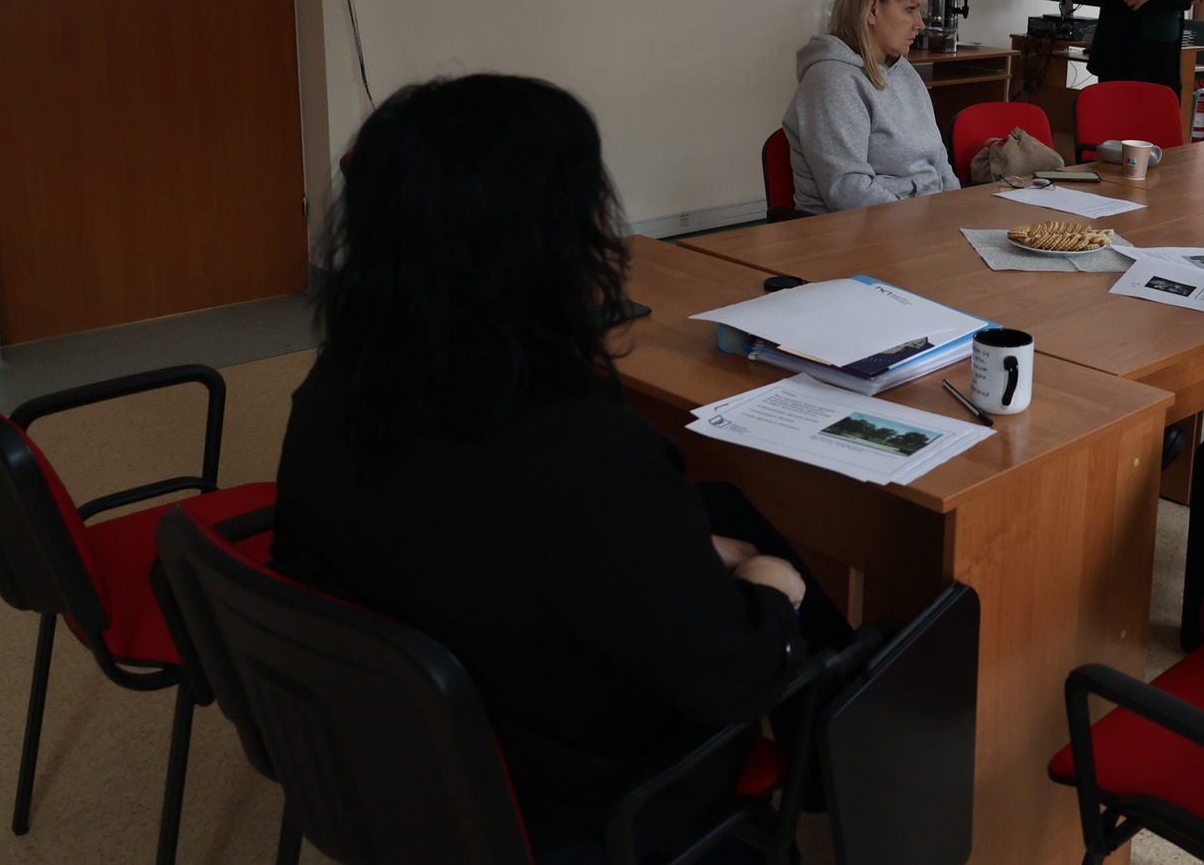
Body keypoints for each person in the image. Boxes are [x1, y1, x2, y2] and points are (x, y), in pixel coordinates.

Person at [273, 74, 847, 865]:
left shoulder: (334, 387)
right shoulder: (586, 453)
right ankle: (856, 792)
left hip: (426, 751)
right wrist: (769, 590)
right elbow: (732, 677)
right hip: (587, 795)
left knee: (721, 506)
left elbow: (493, 533)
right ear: (546, 240)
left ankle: (826, 762)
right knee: (861, 622)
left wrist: (678, 553)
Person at [784, 0, 960, 213]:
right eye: (910, 10)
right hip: (858, 235)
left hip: (920, 224)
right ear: (872, 9)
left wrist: (956, 212)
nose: (920, 24)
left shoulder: (904, 71)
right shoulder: (832, 80)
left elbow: (939, 160)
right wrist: (928, 224)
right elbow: (848, 190)